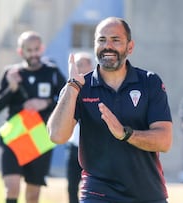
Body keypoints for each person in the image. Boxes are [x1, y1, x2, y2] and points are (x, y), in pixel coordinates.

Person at [48, 17, 173, 203]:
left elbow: (164, 141)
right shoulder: (81, 86)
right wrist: (72, 87)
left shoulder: (149, 82)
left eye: (116, 40)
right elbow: (57, 135)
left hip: (147, 194)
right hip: (97, 194)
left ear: (130, 47)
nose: (108, 46)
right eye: (102, 40)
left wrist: (125, 134)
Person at [0, 31, 66, 203]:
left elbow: (66, 100)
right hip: (14, 136)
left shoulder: (52, 72)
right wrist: (11, 87)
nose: (33, 54)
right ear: (21, 52)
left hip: (39, 137)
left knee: (33, 195)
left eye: (36, 49)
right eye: (29, 50)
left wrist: (46, 103)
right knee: (12, 188)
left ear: (42, 49)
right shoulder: (11, 73)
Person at [66, 52, 94, 203]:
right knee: (71, 186)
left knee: (92, 187)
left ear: (91, 65)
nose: (80, 68)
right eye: (77, 65)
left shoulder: (97, 88)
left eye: (83, 64)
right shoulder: (69, 89)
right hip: (74, 146)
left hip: (92, 149)